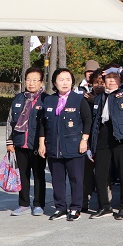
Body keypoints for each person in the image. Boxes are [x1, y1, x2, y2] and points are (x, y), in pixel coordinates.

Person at [38, 68, 93, 221]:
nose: (65, 82)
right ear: (55, 82)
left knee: (76, 179)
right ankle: (60, 207)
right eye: (61, 80)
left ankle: (75, 208)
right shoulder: (49, 100)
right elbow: (43, 123)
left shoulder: (79, 99)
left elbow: (88, 121)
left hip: (74, 145)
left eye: (68, 79)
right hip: (54, 147)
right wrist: (42, 143)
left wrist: (84, 140)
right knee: (57, 179)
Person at [85, 67, 123, 219]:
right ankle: (104, 206)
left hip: (122, 137)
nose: (112, 80)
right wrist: (92, 146)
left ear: (121, 79)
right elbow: (95, 123)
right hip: (104, 136)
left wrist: (121, 70)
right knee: (101, 173)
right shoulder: (100, 97)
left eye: (115, 77)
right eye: (109, 77)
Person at [6, 66, 47, 216]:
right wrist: (9, 141)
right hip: (19, 143)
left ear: (41, 82)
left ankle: (39, 204)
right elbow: (10, 121)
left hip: (37, 144)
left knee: (38, 174)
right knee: (23, 174)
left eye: (35, 80)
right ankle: (23, 203)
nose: (31, 83)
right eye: (29, 79)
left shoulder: (46, 99)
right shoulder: (18, 98)